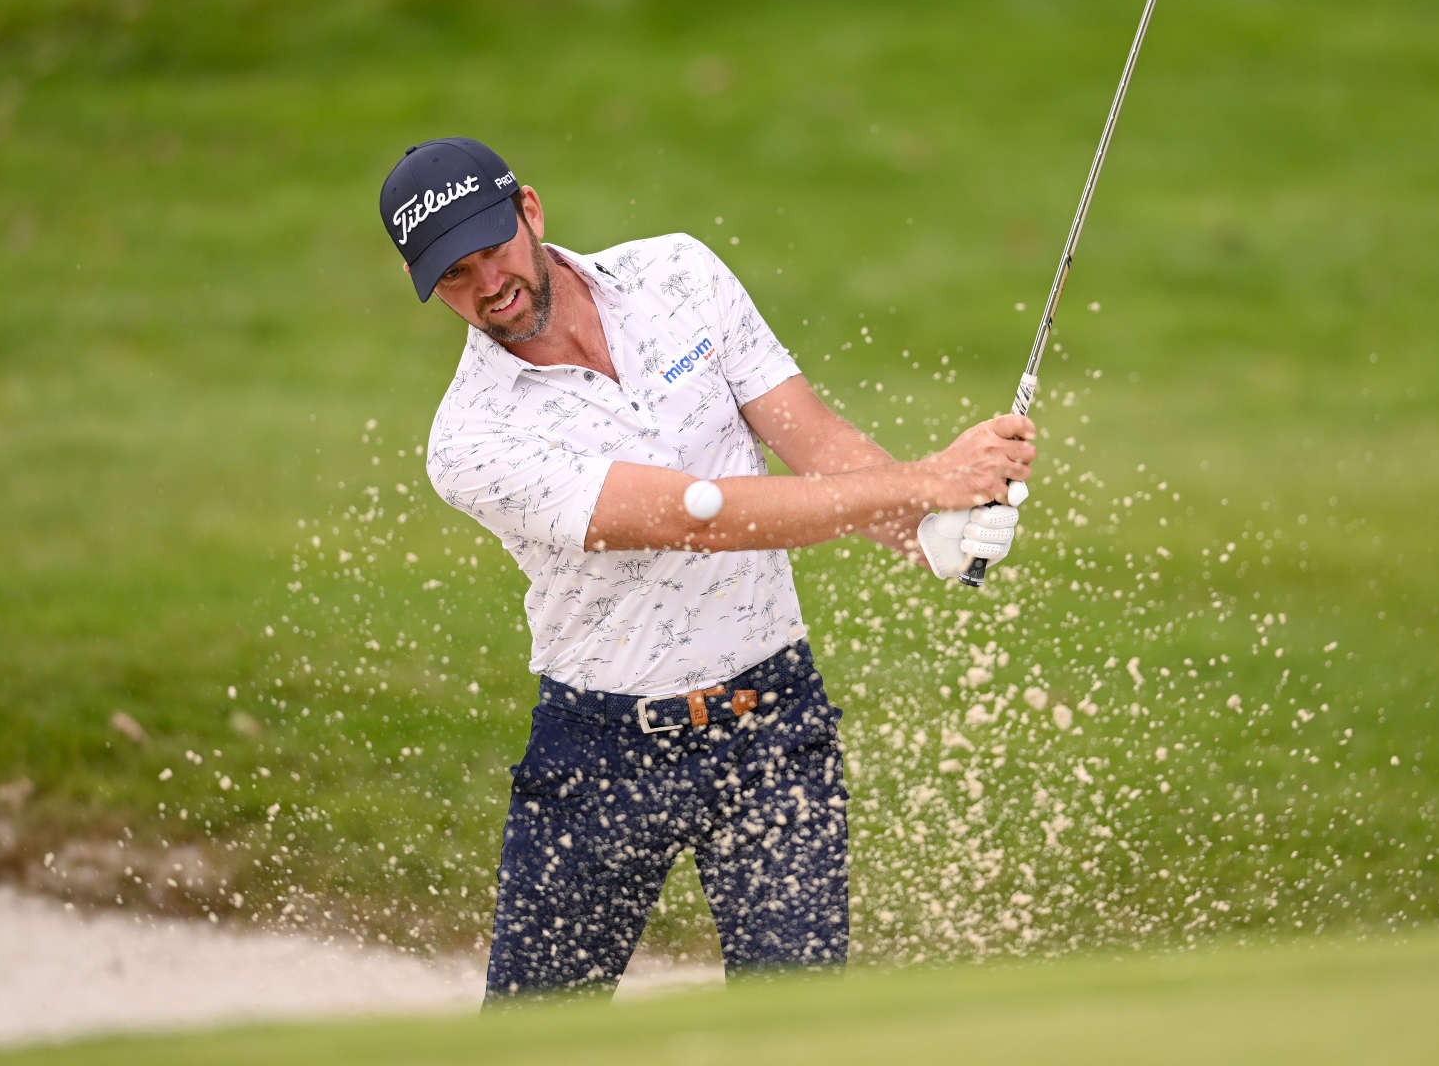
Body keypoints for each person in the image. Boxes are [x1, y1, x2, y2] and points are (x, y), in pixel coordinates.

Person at [378, 137, 1036, 999]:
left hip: (774, 728)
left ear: (529, 211)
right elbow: (700, 517)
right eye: (453, 277)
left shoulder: (677, 274)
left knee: (794, 1031)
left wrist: (925, 527)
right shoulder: (471, 441)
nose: (486, 286)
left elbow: (811, 437)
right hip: (601, 754)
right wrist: (925, 480)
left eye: (491, 250)